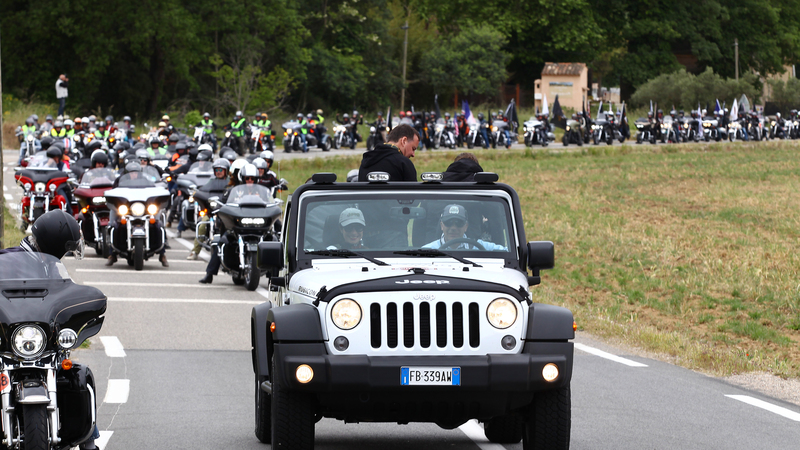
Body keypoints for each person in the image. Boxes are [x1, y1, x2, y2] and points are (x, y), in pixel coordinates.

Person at [199, 164, 260, 283]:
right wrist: (220, 208)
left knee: (273, 240)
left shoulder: (261, 192)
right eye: (247, 178)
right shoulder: (233, 191)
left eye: (252, 178)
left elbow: (270, 203)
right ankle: (209, 274)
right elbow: (223, 203)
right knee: (222, 241)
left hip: (257, 225)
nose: (250, 181)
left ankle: (275, 275)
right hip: (238, 226)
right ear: (243, 178)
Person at [187, 158, 230, 260]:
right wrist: (197, 193)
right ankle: (195, 251)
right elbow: (203, 190)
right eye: (216, 170)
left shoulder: (230, 183)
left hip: (226, 212)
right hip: (212, 211)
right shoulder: (211, 181)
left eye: (221, 170)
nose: (218, 172)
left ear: (226, 170)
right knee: (202, 225)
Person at [423, 204, 506, 251]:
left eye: (459, 223)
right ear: (442, 225)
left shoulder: (480, 247)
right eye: (448, 223)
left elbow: (506, 252)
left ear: (466, 226)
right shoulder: (428, 250)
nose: (453, 228)